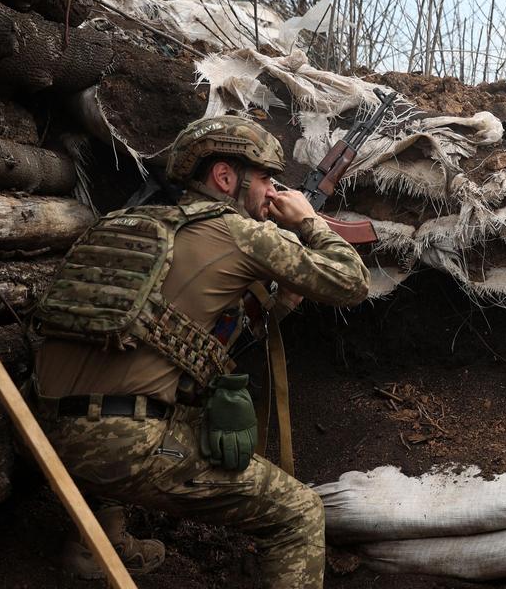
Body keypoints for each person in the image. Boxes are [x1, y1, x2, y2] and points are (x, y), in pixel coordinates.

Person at [31, 115, 370, 585]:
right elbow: (351, 282)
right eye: (267, 179)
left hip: (41, 432)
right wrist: (310, 221)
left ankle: (96, 545)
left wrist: (273, 309)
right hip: (123, 449)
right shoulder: (240, 232)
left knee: (178, 407)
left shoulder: (121, 225)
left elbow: (177, 340)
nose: (273, 192)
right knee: (299, 513)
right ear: (225, 177)